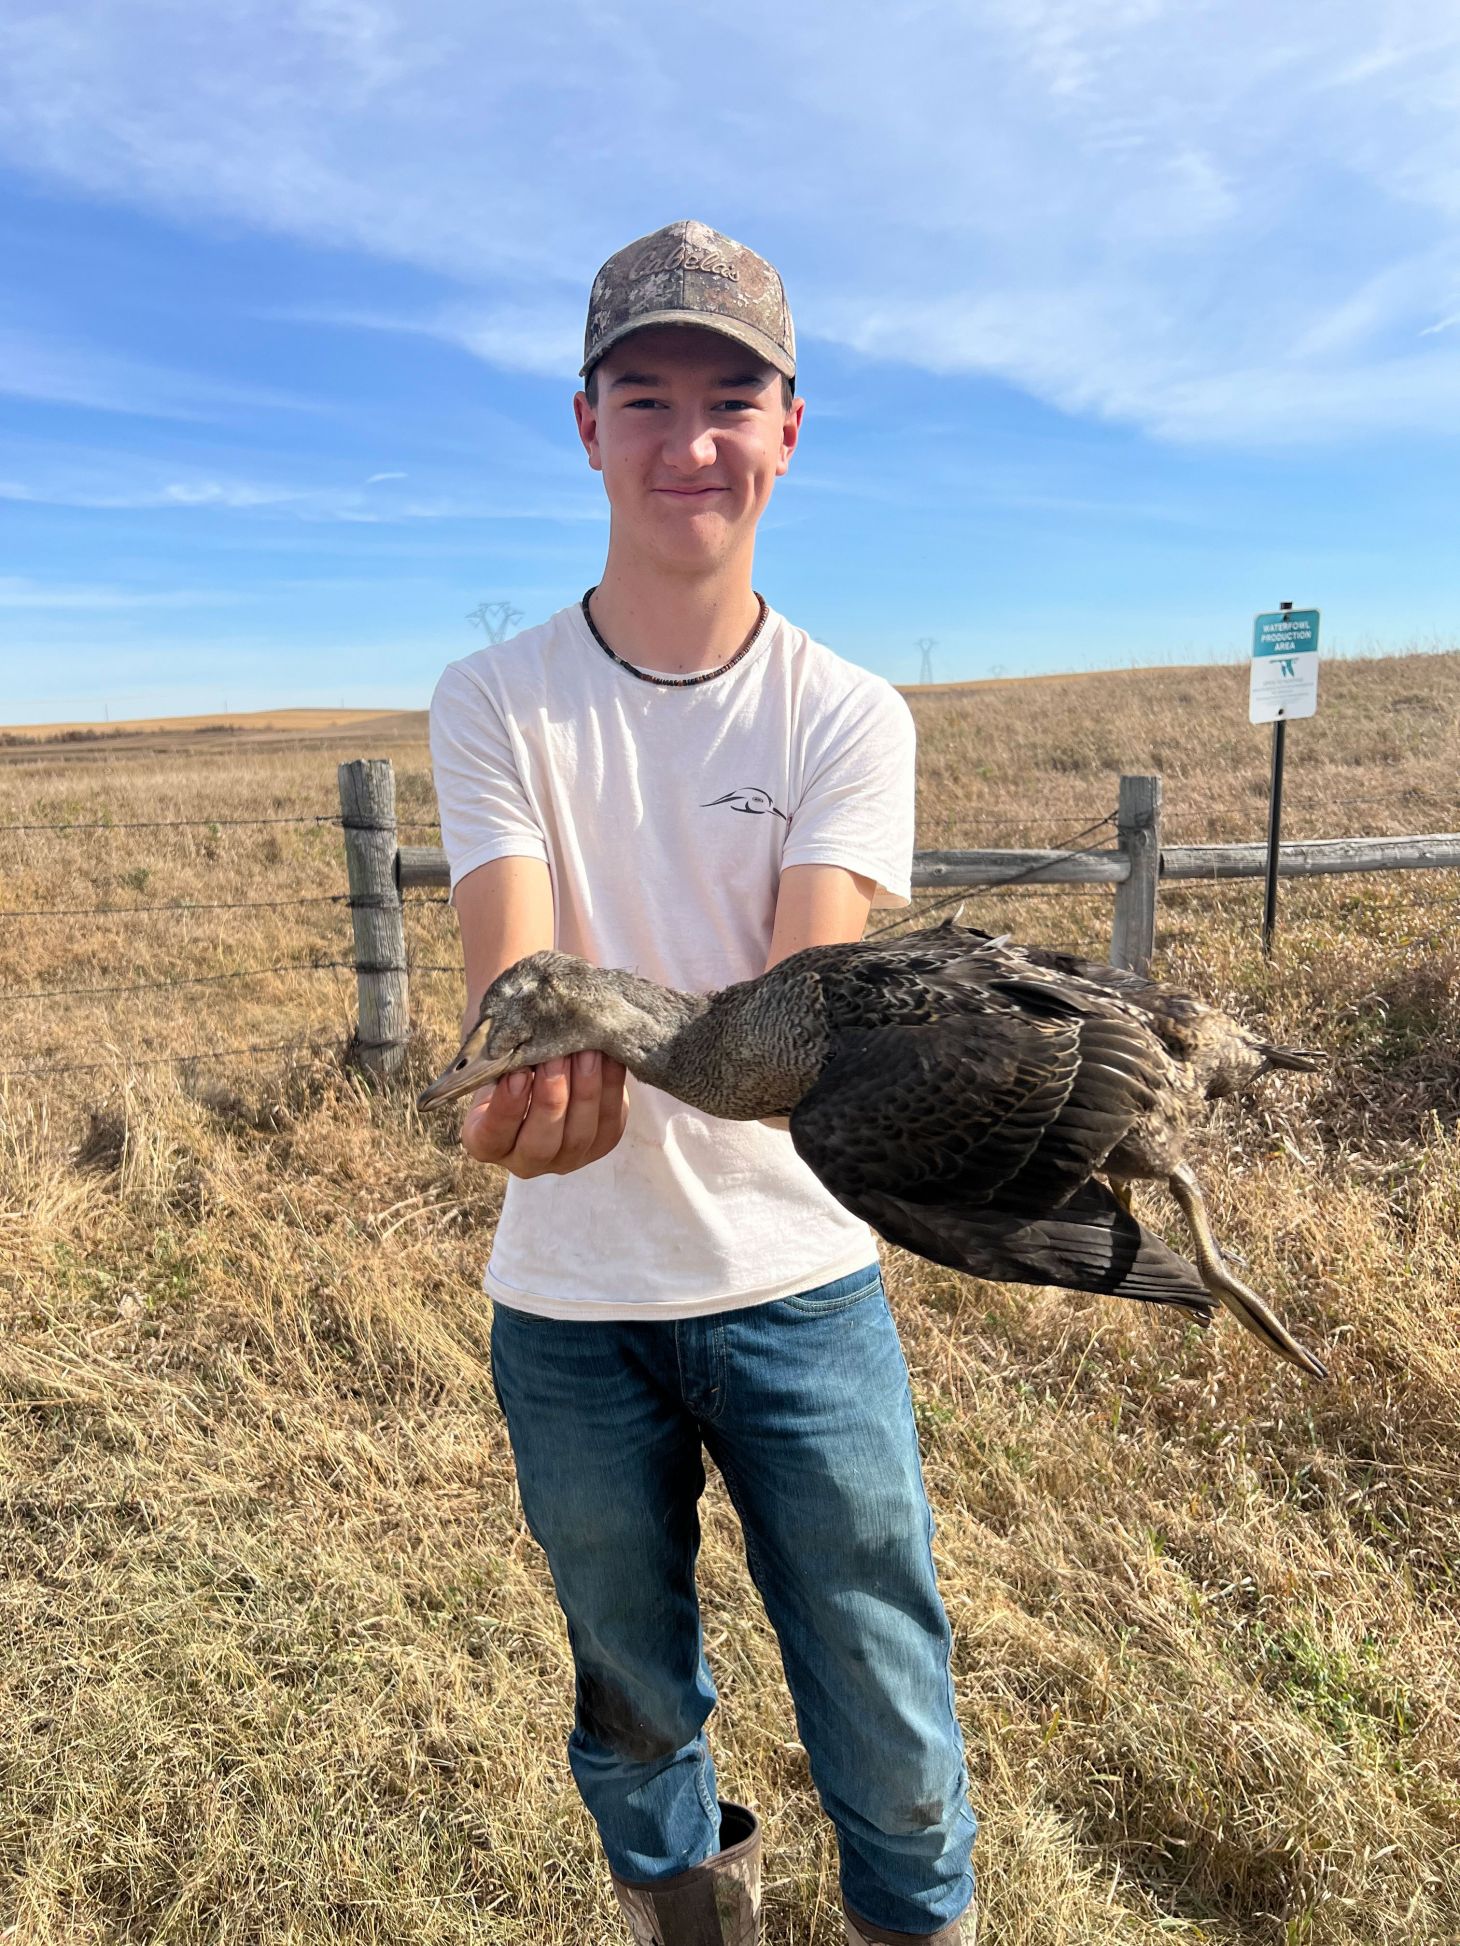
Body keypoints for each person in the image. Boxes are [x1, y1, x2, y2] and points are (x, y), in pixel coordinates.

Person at [428, 220, 977, 1946]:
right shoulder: (492, 700)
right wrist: (522, 1117)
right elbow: (516, 1004)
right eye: (643, 398)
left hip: (799, 1282)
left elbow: (781, 1051)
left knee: (889, 1708)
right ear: (583, 425)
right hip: (569, 1305)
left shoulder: (848, 717)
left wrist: (588, 1045)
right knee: (633, 1697)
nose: (689, 442)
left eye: (728, 398)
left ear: (790, 427)